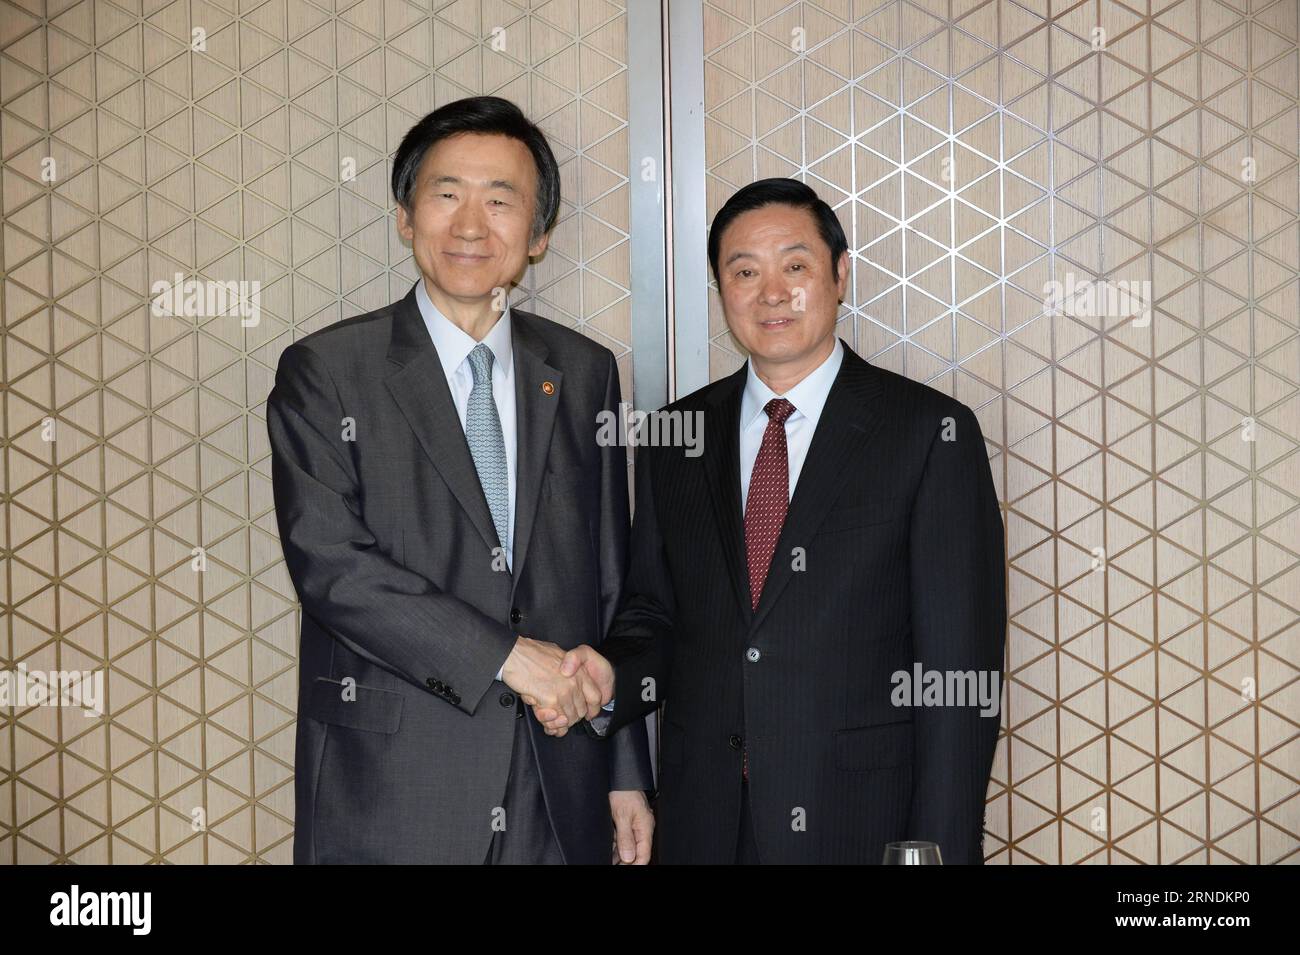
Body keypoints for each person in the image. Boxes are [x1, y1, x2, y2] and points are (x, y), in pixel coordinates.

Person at [535, 178, 1006, 864]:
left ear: (840, 275)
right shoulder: (676, 438)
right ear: (721, 289)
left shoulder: (928, 434)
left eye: (795, 266)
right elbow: (654, 618)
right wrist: (608, 675)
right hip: (705, 823)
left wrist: (932, 851)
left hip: (861, 825)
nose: (771, 292)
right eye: (744, 271)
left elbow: (958, 674)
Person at [267, 96, 653, 864]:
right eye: (445, 195)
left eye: (501, 201)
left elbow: (612, 582)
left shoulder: (582, 373)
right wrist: (510, 657)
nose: (471, 225)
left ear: (538, 234)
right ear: (407, 215)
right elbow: (333, 569)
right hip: (395, 787)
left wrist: (625, 771)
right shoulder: (328, 371)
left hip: (559, 781)